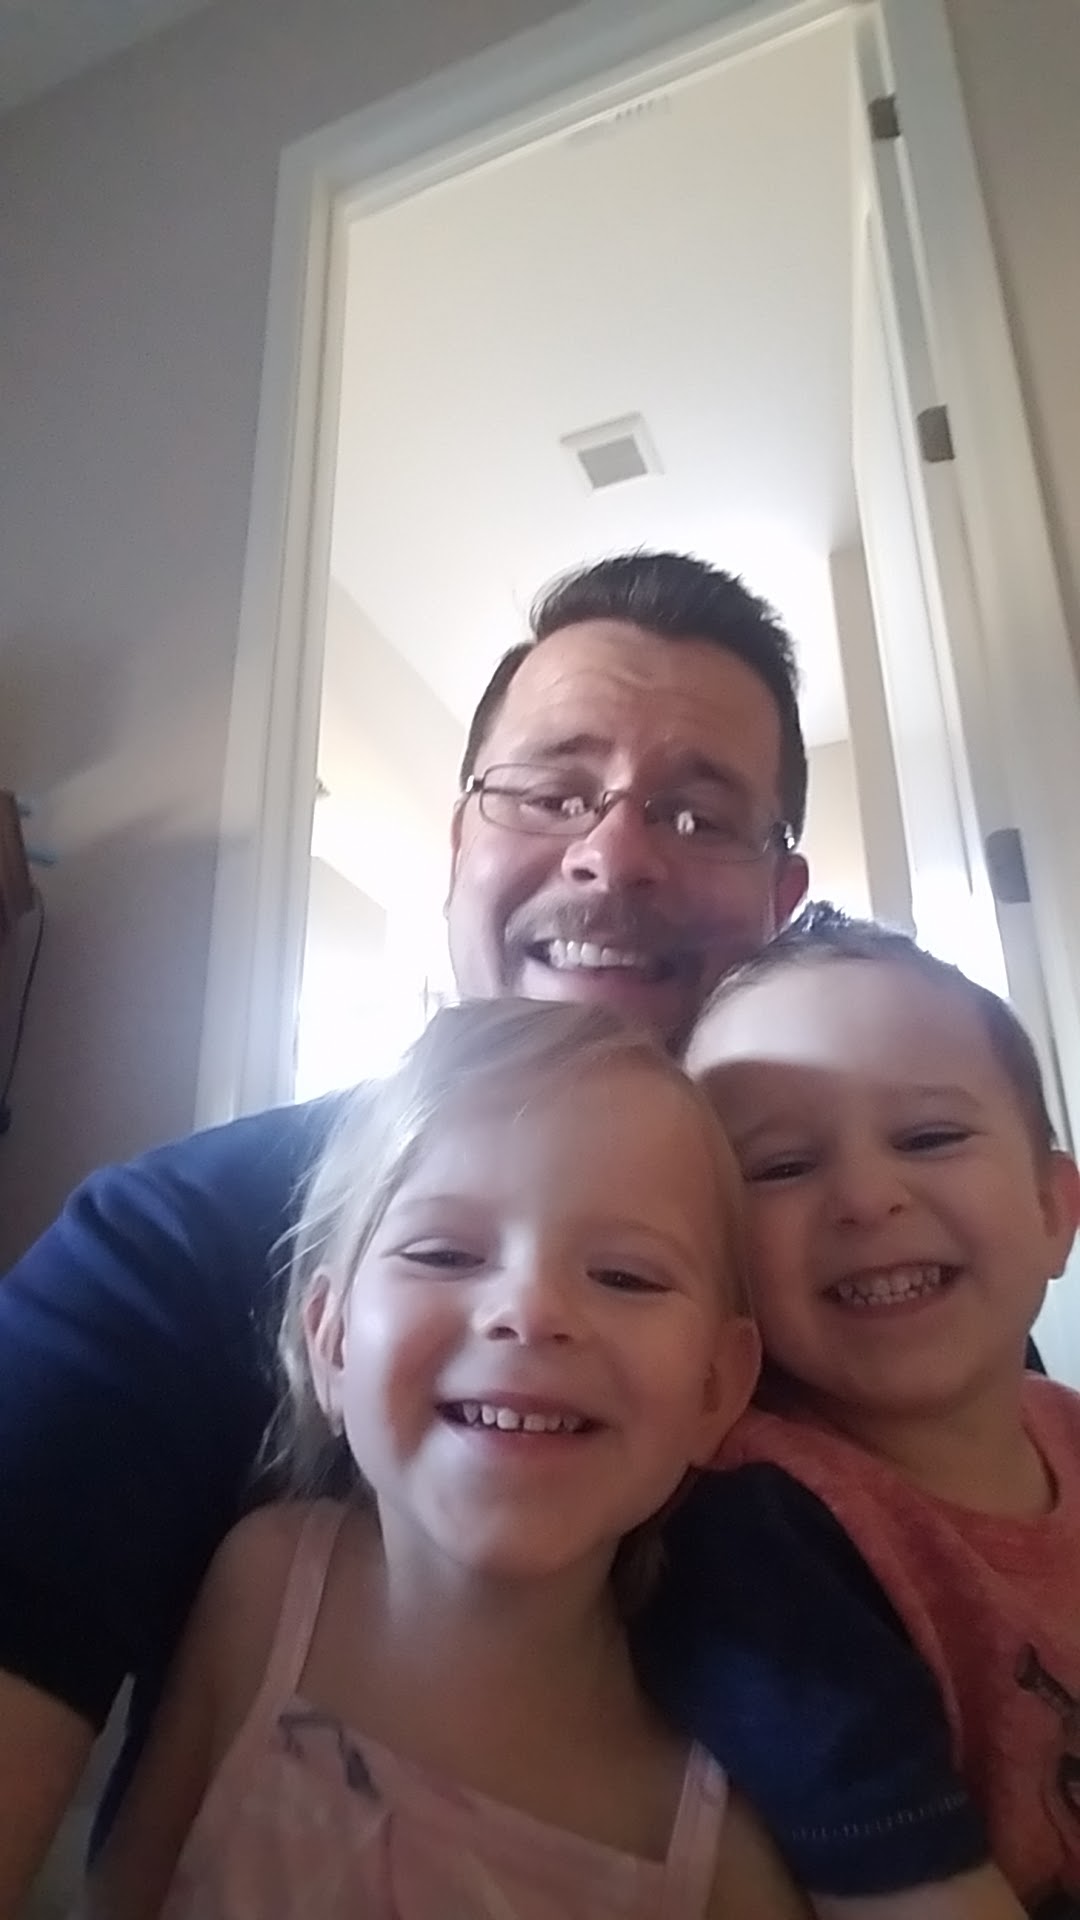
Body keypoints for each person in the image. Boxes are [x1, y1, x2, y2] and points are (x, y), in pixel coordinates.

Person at [0, 550, 810, 1912]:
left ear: (781, 902)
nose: (612, 854)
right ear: (458, 845)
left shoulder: (874, 1280)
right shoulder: (164, 1250)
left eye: (697, 814)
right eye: (550, 792)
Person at [83, 997, 805, 1920]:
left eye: (625, 1275)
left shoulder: (729, 1827)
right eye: (444, 1254)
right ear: (332, 1342)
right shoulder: (263, 1588)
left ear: (716, 1388)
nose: (530, 1311)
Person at [663, 906, 1080, 1918]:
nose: (865, 1197)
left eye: (930, 1136)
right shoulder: (756, 1529)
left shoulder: (1066, 1423)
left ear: (1054, 1211)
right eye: (781, 1166)